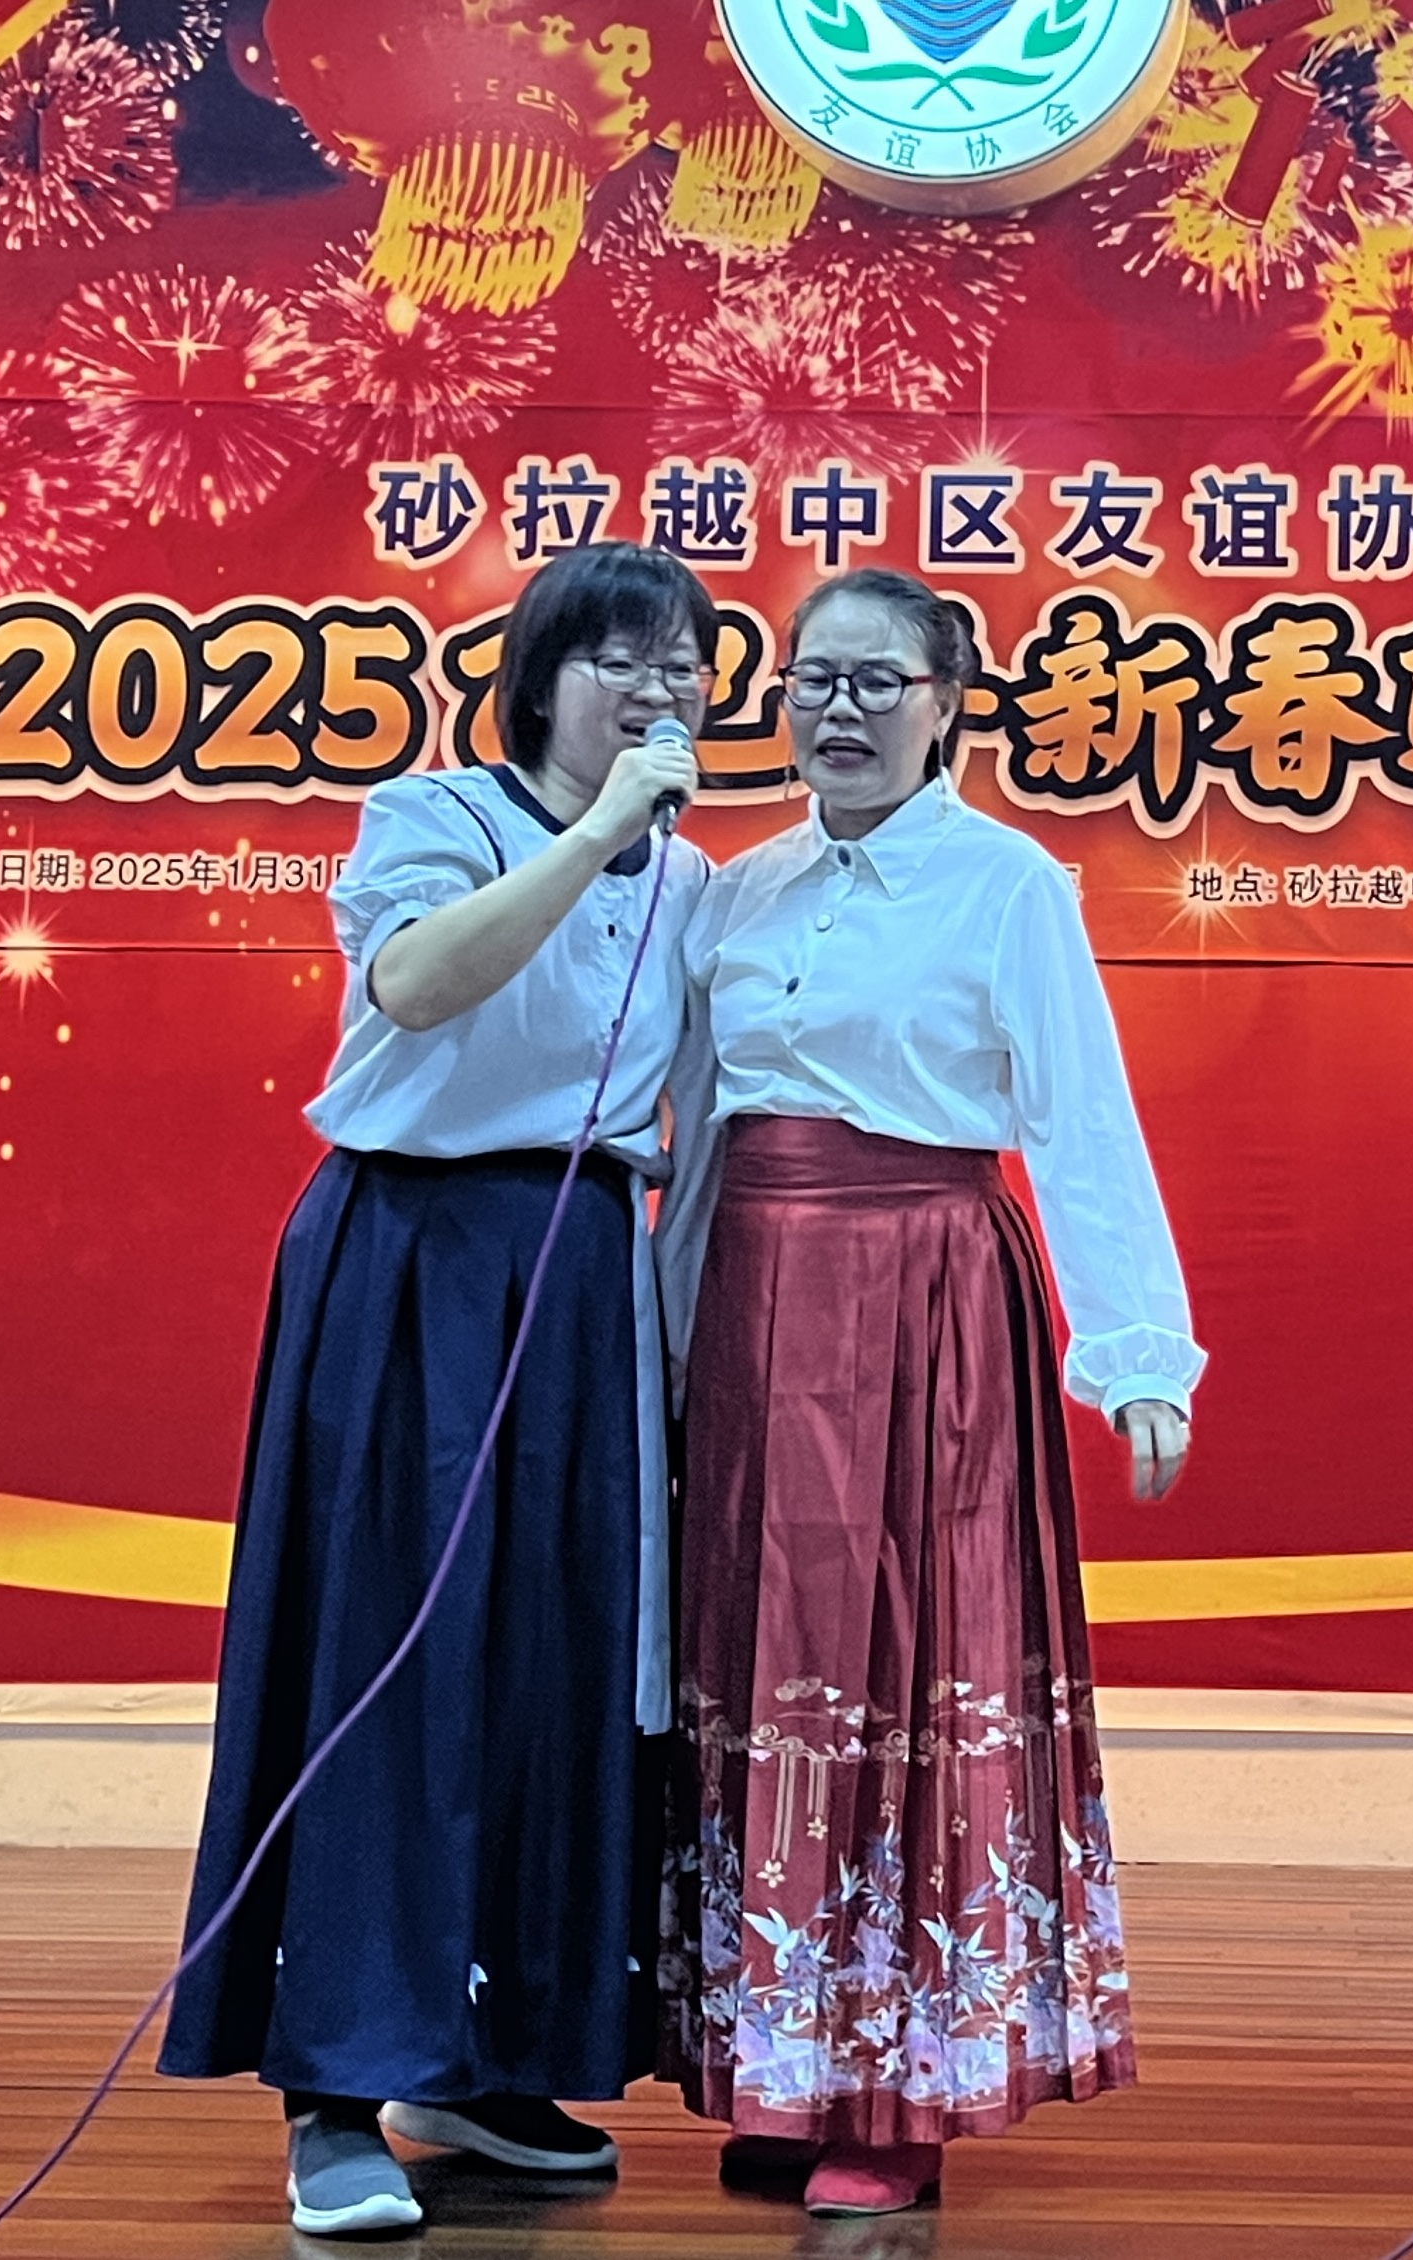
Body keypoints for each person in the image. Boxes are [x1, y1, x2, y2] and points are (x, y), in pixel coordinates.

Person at [159, 543, 714, 2237]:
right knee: (384, 1659)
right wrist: (599, 832)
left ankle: (483, 2062)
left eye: (684, 663)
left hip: (583, 1275)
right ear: (539, 677)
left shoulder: (696, 880)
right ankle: (333, 2086)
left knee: (557, 1666)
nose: (659, 689)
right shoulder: (435, 814)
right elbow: (415, 985)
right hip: (414, 1259)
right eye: (620, 657)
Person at [655, 565, 1199, 2219]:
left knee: (901, 1667)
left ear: (946, 706)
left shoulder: (1008, 882)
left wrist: (1137, 1353)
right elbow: (694, 1133)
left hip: (926, 1300)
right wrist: (657, 1340)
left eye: (878, 681)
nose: (840, 709)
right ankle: (780, 2061)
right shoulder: (732, 891)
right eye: (813, 678)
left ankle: (895, 2097)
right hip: (751, 1303)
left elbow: (1080, 1114)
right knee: (758, 1665)